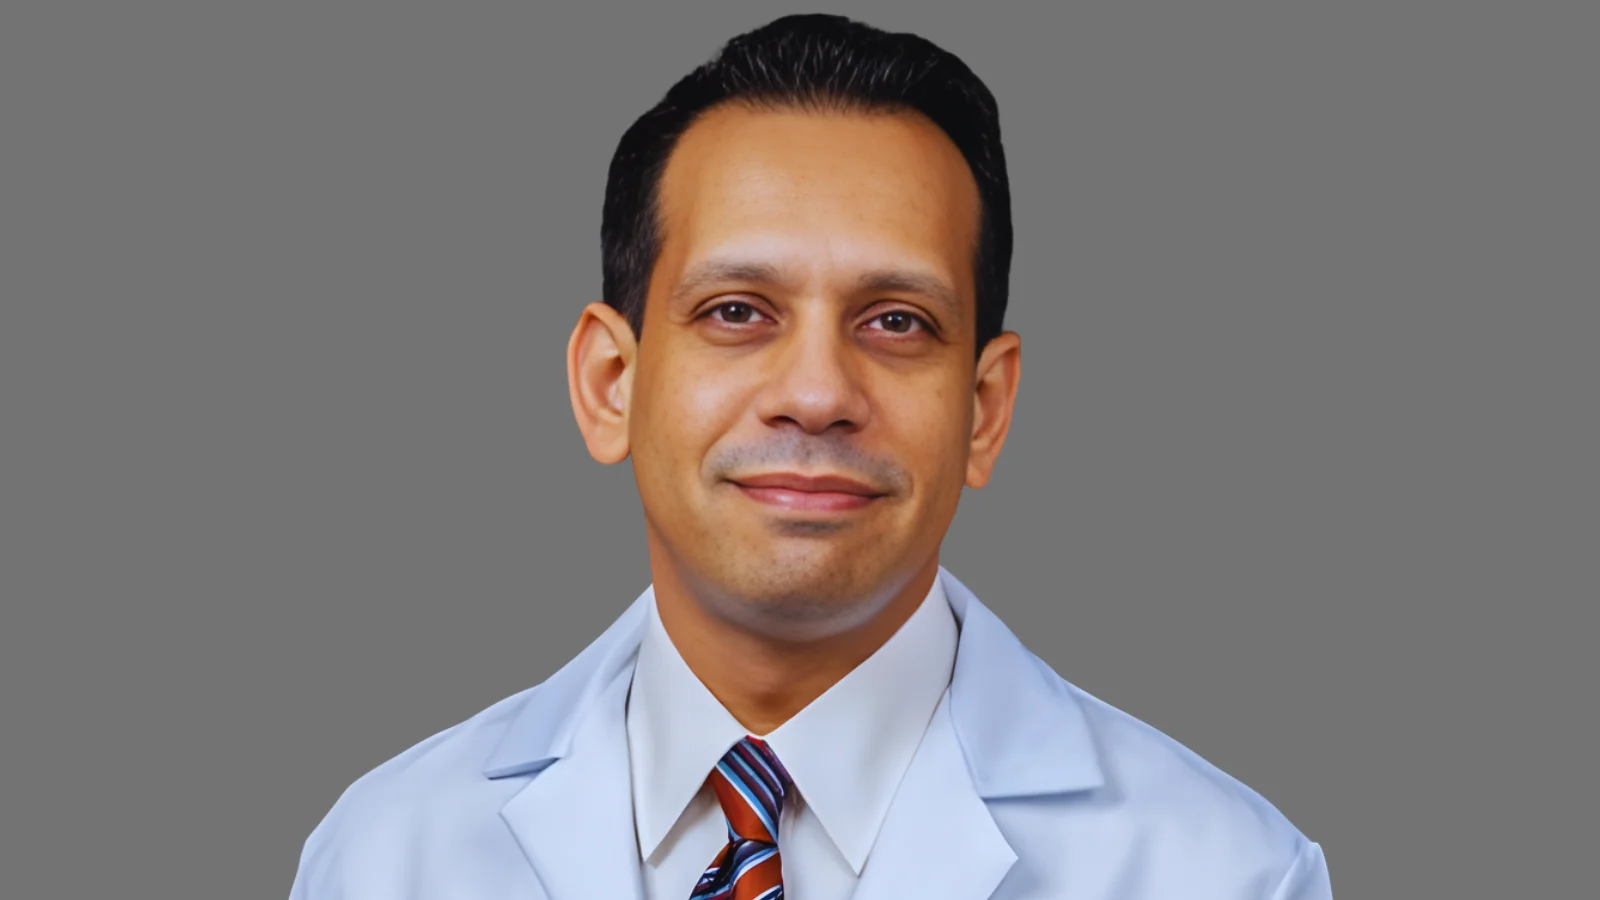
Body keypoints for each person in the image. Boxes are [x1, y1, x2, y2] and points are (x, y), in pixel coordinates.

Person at [288, 13, 1332, 900]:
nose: (819, 394)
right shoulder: (387, 857)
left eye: (896, 322)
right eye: (737, 311)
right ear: (611, 384)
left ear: (984, 409)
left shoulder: (1225, 872)